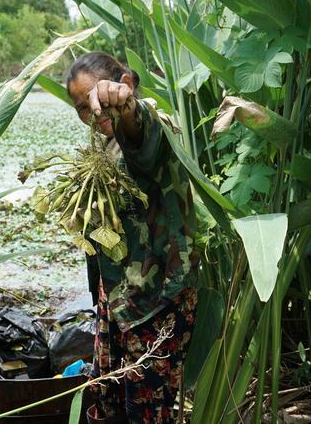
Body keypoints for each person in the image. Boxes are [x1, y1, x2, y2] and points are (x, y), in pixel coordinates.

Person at [66, 51, 199, 424]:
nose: (92, 112)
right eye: (81, 107)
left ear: (126, 83)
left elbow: (141, 139)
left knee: (146, 411)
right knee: (104, 398)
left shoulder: (153, 123)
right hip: (118, 298)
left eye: (96, 97)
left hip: (158, 300)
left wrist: (124, 106)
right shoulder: (101, 149)